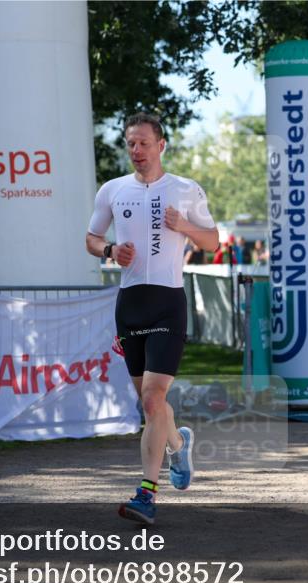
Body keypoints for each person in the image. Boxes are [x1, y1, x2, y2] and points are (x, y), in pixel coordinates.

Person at [85, 112, 219, 525]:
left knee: (153, 399)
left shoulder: (184, 190)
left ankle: (146, 495)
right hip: (130, 304)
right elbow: (90, 239)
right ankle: (179, 444)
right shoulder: (112, 190)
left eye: (144, 143)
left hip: (167, 303)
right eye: (130, 144)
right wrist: (109, 252)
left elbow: (213, 242)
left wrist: (185, 227)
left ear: (161, 146)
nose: (136, 151)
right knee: (152, 406)